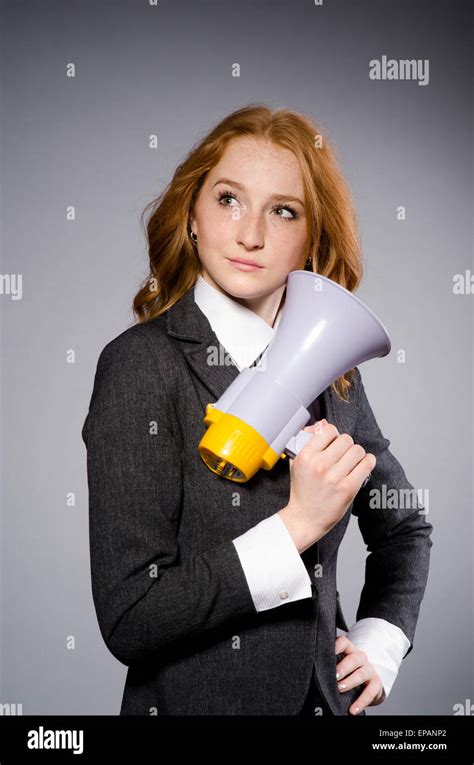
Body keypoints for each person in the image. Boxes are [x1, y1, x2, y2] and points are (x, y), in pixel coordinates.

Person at [81, 103, 433, 716]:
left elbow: (403, 528)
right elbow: (131, 617)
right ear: (191, 215)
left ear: (311, 234)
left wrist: (381, 643)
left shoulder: (335, 369)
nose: (250, 235)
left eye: (284, 211)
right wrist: (297, 526)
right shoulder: (140, 366)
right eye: (228, 200)